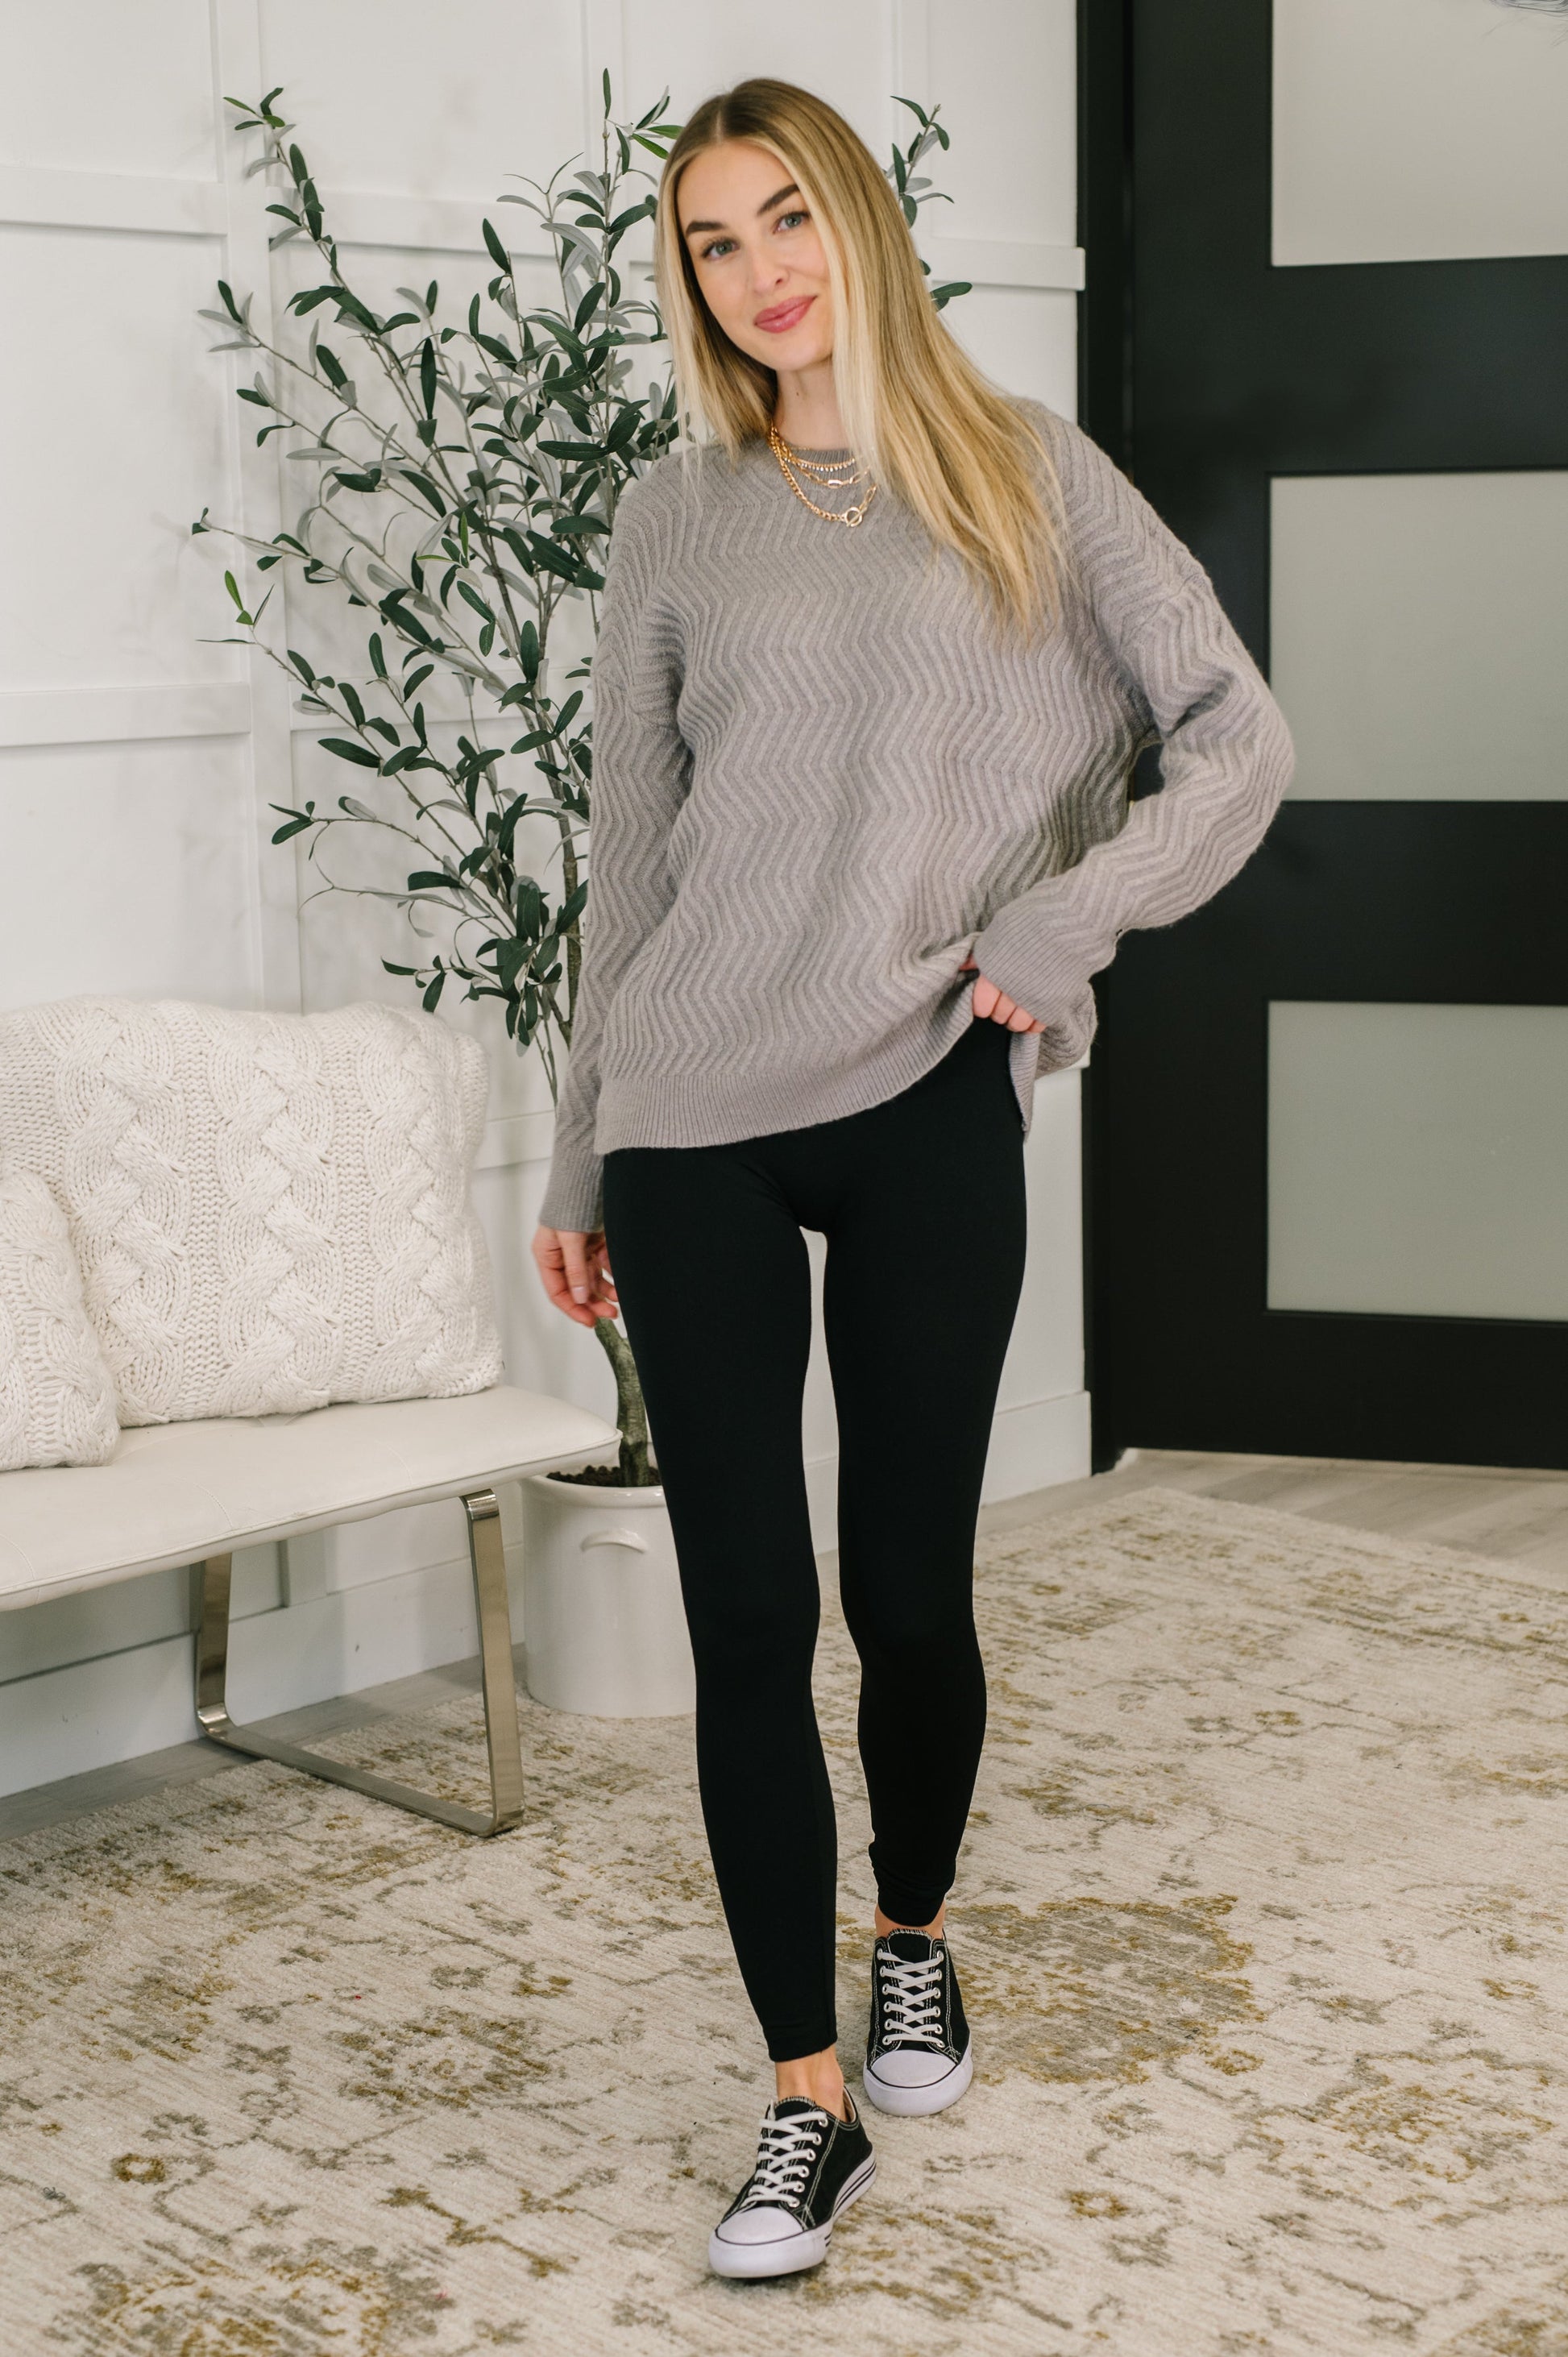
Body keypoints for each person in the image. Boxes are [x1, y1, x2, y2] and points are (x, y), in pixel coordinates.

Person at [531, 77, 1293, 2282]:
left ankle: (915, 1937)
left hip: (928, 1084)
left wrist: (1059, 928)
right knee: (745, 1618)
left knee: (909, 1590)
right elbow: (628, 856)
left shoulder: (1029, 471)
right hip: (691, 1104)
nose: (756, 272)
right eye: (711, 243)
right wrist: (579, 1138)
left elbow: (1235, 735)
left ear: (857, 222)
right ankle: (806, 2100)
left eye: (786, 219)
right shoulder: (676, 514)